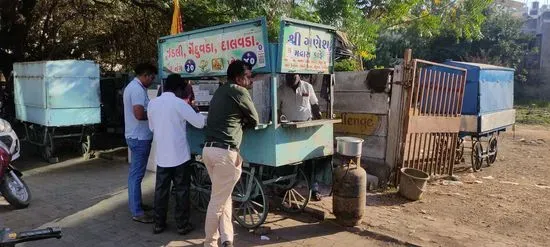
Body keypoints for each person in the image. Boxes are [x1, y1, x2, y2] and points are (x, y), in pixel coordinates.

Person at [203, 60, 258, 247]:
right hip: (224, 153)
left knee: (223, 197)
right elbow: (255, 119)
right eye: (249, 77)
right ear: (238, 78)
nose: (251, 81)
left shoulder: (220, 90)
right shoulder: (239, 91)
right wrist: (243, 122)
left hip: (209, 151)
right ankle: (210, 243)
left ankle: (227, 238)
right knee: (217, 202)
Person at [148, 74, 206, 234]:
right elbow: (200, 123)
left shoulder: (153, 104)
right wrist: (197, 111)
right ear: (179, 89)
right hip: (179, 156)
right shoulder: (180, 104)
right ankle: (182, 225)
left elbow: (152, 128)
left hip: (162, 156)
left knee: (161, 190)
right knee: (182, 190)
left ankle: (159, 223)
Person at [277, 73, 324, 200]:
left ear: (299, 76)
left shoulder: (307, 87)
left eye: (292, 77)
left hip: (306, 128)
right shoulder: (281, 89)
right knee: (288, 160)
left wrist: (320, 120)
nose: (289, 79)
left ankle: (314, 189)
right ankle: (285, 187)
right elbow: (277, 109)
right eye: (287, 77)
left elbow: (314, 105)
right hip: (288, 129)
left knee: (310, 159)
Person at [123, 62, 157, 223]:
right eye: (151, 77)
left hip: (136, 135)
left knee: (135, 175)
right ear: (145, 75)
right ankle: (137, 211)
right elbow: (138, 114)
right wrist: (155, 115)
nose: (152, 81)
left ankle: (137, 204)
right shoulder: (136, 89)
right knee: (136, 175)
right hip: (139, 137)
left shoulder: (134, 87)